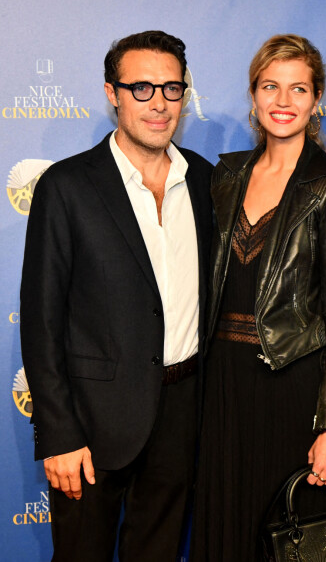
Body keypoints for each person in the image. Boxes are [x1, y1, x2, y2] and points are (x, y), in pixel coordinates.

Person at [20, 30, 213, 562]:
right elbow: (41, 320)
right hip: (89, 424)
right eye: (142, 88)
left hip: (180, 411)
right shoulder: (67, 186)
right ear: (113, 93)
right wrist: (58, 434)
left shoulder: (205, 180)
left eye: (172, 89)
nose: (159, 104)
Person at [191, 34, 326, 560]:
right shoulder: (224, 176)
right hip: (222, 386)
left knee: (294, 541)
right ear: (253, 95)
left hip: (292, 388)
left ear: (316, 100)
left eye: (298, 88)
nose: (283, 101)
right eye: (271, 86)